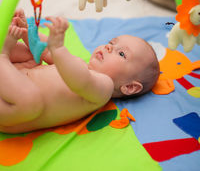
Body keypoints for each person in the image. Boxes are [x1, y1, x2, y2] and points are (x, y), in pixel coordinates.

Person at [0, 9, 159, 134]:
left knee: (30, 100)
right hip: (12, 81)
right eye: (111, 42)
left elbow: (79, 82)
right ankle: (7, 46)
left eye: (122, 53)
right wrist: (27, 31)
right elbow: (46, 52)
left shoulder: (103, 88)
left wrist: (59, 48)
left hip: (12, 108)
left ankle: (3, 56)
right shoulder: (79, 63)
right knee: (31, 56)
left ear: (129, 87)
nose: (109, 47)